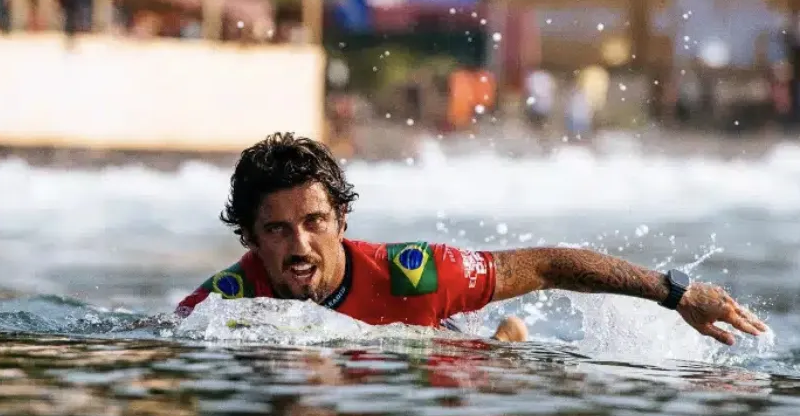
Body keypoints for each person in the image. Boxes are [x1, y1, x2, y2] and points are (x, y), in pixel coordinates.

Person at [176, 133, 768, 344]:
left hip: (437, 352)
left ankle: (506, 344)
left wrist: (675, 292)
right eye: (277, 229)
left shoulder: (415, 273)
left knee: (473, 358)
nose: (299, 245)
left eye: (314, 222)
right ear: (250, 238)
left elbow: (549, 264)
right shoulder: (225, 301)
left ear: (341, 222)